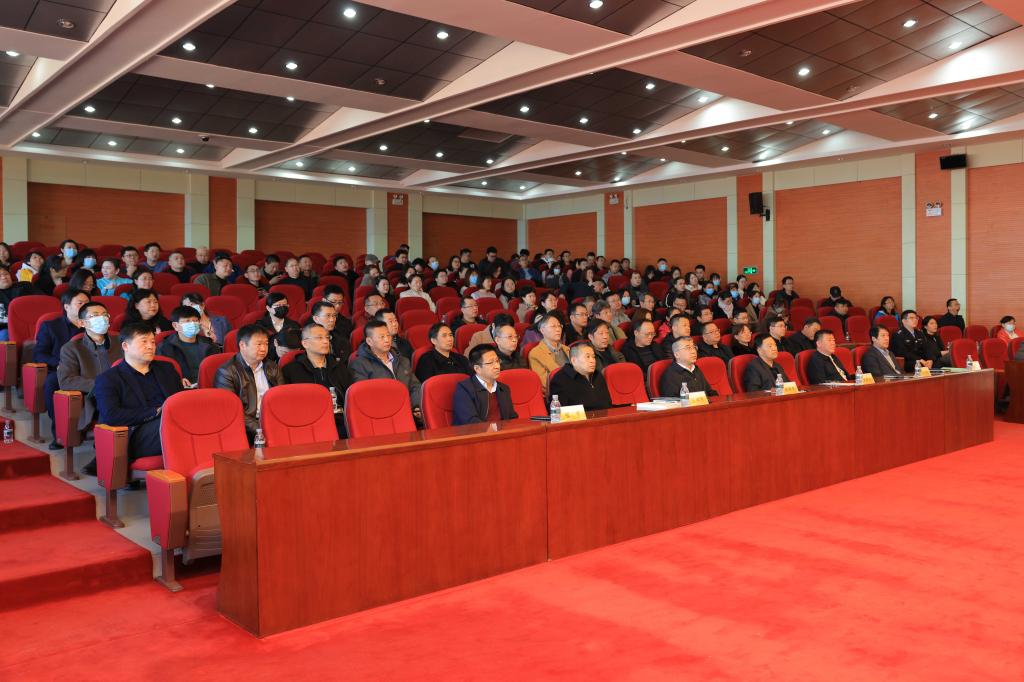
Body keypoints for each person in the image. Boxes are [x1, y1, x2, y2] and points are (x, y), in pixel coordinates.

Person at [92, 322, 184, 464]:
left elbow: (180, 400)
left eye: (153, 342)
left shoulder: (167, 369)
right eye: (144, 342)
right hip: (135, 433)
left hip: (170, 423)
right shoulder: (108, 379)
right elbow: (111, 415)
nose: (150, 346)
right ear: (125, 346)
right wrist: (155, 412)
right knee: (172, 425)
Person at [57, 301, 124, 467]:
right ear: (82, 323)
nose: (102, 319)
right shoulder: (71, 348)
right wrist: (101, 385)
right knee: (111, 404)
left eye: (104, 315)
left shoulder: (122, 342)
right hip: (95, 398)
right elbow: (67, 380)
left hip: (127, 391)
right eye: (95, 316)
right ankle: (107, 459)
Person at [36, 289, 90, 447]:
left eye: (87, 303)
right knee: (53, 382)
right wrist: (59, 364)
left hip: (90, 370)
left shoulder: (95, 326)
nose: (85, 306)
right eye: (80, 303)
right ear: (66, 307)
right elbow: (39, 354)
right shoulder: (51, 326)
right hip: (61, 370)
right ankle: (60, 434)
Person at [282, 322, 353, 437]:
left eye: (327, 337)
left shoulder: (339, 367)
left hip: (340, 421)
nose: (325, 341)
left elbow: (350, 397)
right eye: (319, 338)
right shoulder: (291, 370)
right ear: (305, 343)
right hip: (308, 424)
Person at [214, 325, 282, 443]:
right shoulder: (226, 371)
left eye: (266, 344)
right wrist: (261, 429)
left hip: (272, 422)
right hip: (244, 429)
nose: (263, 348)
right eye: (259, 344)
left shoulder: (272, 367)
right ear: (242, 345)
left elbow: (281, 400)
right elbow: (231, 410)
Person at [349, 319, 422, 417]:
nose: (387, 340)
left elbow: (415, 386)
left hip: (408, 411)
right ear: (369, 341)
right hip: (382, 414)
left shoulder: (402, 360)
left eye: (388, 335)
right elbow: (363, 395)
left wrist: (415, 407)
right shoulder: (359, 364)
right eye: (381, 337)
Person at [451, 344, 518, 426]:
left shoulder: (504, 389)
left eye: (497, 361)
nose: (497, 366)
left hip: (503, 432)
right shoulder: (464, 389)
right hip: (477, 433)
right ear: (477, 369)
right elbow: (471, 422)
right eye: (491, 363)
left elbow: (512, 418)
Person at [157, 306, 219, 386]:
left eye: (195, 320)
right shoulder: (164, 348)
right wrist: (176, 380)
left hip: (208, 387)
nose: (192, 324)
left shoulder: (209, 344)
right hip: (180, 389)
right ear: (175, 325)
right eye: (187, 321)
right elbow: (162, 373)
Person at [547, 342, 611, 411]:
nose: (592, 361)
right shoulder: (560, 379)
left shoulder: (598, 375)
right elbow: (558, 412)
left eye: (593, 357)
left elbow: (608, 404)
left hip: (604, 416)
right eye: (587, 357)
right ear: (574, 360)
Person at [528, 313, 570, 395]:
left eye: (559, 326)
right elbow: (544, 384)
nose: (558, 329)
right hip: (557, 394)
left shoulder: (567, 349)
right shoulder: (536, 353)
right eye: (553, 326)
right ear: (542, 330)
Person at [257, 292, 300, 359]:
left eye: (284, 305)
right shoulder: (260, 325)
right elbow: (257, 346)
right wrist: (276, 350)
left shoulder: (294, 325)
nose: (282, 307)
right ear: (268, 308)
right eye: (278, 305)